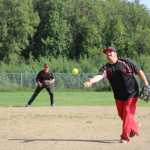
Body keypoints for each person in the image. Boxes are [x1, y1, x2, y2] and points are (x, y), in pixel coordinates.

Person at [84, 47, 149, 143]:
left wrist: (146, 84)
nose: (108, 53)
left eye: (110, 51)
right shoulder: (106, 68)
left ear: (115, 53)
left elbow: (139, 71)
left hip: (132, 93)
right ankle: (134, 126)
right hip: (118, 95)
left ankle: (124, 137)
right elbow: (100, 76)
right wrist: (91, 81)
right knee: (122, 115)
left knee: (127, 112)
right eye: (106, 52)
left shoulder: (126, 62)